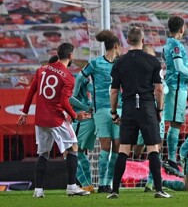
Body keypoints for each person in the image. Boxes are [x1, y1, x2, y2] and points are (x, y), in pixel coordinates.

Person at [18, 44, 92, 198]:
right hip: (56, 118)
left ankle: (38, 190)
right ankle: (71, 187)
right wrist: (75, 115)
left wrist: (24, 113)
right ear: (70, 56)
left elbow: (31, 91)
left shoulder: (42, 69)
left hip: (40, 119)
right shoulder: (68, 76)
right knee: (73, 147)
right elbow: (64, 102)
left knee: (43, 154)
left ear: (58, 54)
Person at [108, 27, 170, 199]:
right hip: (147, 106)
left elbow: (114, 91)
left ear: (127, 40)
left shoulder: (119, 62)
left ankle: (114, 191)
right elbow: (159, 89)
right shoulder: (153, 61)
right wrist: (159, 109)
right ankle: (159, 190)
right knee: (153, 149)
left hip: (128, 108)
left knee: (123, 149)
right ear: (143, 41)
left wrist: (114, 113)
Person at [78, 30, 122, 193]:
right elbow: (80, 78)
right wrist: (80, 96)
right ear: (116, 46)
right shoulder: (96, 63)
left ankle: (109, 183)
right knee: (106, 145)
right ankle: (102, 183)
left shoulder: (121, 64)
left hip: (119, 108)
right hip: (101, 109)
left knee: (117, 146)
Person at [162, 16, 188, 177]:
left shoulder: (168, 43)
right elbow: (179, 66)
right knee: (175, 123)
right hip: (176, 87)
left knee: (174, 123)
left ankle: (171, 159)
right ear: (182, 28)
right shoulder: (176, 45)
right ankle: (171, 159)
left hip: (177, 86)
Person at [69, 63, 96, 193]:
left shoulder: (73, 78)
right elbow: (92, 89)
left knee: (70, 152)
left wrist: (86, 107)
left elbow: (71, 99)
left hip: (82, 118)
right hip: (89, 119)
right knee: (80, 152)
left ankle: (85, 184)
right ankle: (88, 184)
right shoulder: (84, 80)